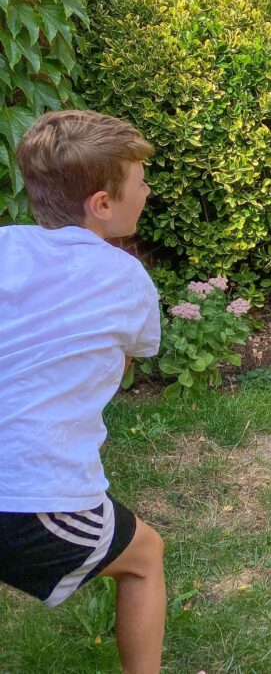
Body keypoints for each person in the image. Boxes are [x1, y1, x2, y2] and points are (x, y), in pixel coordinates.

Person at [0, 110, 165, 672]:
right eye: (140, 182)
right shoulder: (126, 278)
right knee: (145, 556)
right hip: (30, 499)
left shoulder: (5, 246)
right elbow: (123, 363)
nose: (147, 191)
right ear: (102, 203)